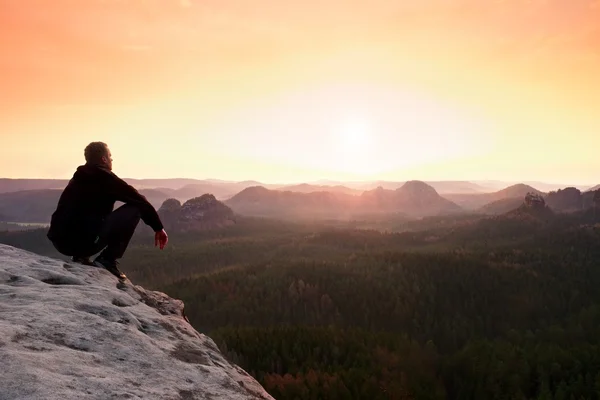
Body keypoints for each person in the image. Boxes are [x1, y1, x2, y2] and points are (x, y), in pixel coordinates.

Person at [47, 142, 168, 279]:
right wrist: (158, 228)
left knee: (87, 217)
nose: (112, 159)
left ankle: (81, 257)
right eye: (110, 156)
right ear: (103, 159)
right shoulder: (105, 178)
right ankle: (108, 260)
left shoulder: (78, 177)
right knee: (135, 208)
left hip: (60, 242)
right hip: (82, 243)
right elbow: (140, 200)